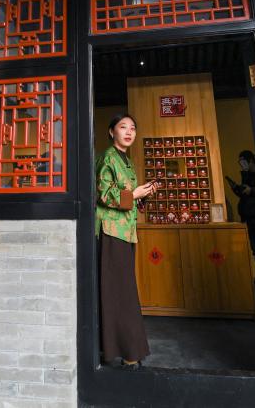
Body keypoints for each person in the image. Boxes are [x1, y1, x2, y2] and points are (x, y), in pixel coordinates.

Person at [96, 113, 158, 369]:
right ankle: (126, 351)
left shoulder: (127, 161)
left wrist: (142, 195)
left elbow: (129, 198)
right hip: (110, 231)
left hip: (126, 231)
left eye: (133, 127)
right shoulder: (107, 157)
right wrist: (133, 194)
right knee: (119, 292)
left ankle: (122, 349)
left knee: (122, 291)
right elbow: (104, 194)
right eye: (123, 127)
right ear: (112, 132)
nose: (129, 131)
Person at [230, 150, 255, 291]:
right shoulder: (246, 175)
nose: (242, 164)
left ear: (251, 161)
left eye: (243, 161)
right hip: (250, 216)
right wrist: (237, 189)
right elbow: (245, 194)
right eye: (240, 162)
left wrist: (252, 190)